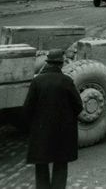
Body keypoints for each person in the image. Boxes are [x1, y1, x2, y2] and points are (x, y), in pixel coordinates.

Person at [23, 49, 83, 189]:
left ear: (48, 63)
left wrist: (32, 126)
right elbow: (78, 106)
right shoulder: (67, 81)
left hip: (41, 131)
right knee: (61, 165)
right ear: (61, 64)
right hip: (62, 132)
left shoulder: (37, 81)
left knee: (41, 165)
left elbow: (27, 108)